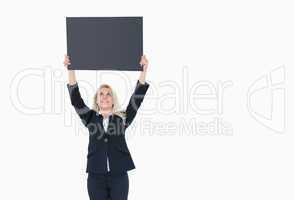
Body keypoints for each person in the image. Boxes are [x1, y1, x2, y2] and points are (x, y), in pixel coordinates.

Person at [63, 55, 149, 200]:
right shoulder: (90, 118)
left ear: (113, 99)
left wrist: (144, 70)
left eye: (108, 94)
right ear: (97, 100)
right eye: (101, 94)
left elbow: (136, 100)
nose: (104, 96)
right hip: (95, 177)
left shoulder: (122, 118)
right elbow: (76, 100)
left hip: (119, 176)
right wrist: (70, 69)